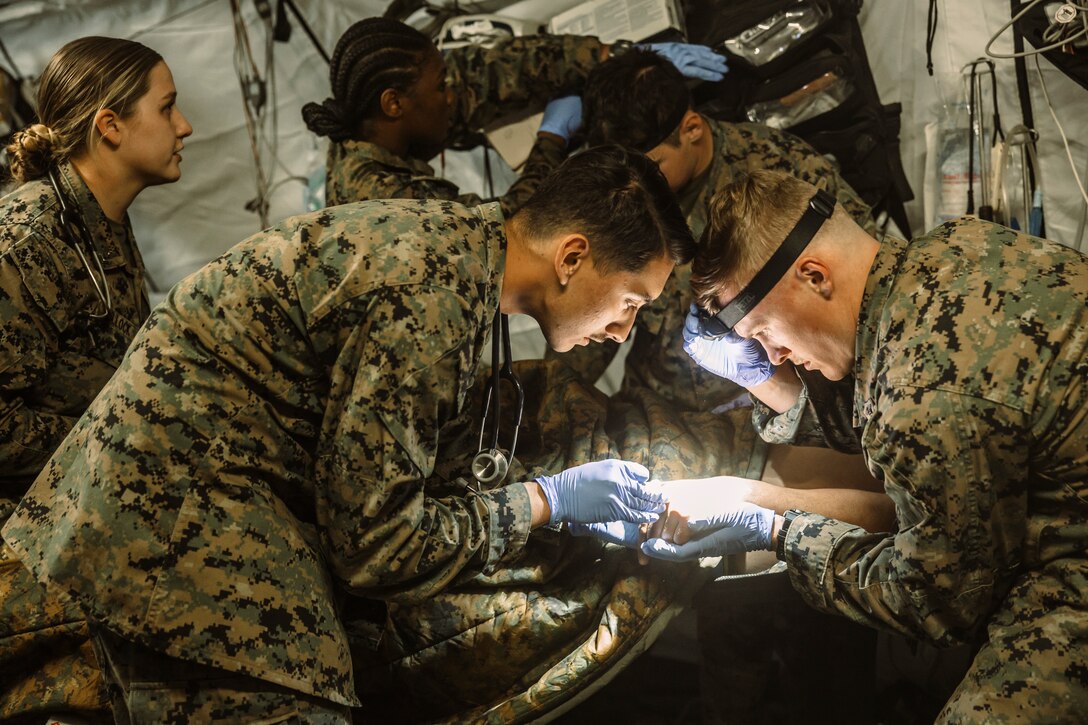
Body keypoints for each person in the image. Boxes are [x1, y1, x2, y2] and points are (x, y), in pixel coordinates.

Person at [2, 146, 696, 719]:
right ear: (572, 257)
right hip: (176, 502)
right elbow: (379, 546)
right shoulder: (431, 299)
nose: (622, 328)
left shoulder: (456, 251)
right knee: (305, 692)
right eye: (630, 301)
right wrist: (544, 501)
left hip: (174, 480)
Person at [645, 168, 1088, 721]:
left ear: (813, 275)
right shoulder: (956, 246)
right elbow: (892, 407)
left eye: (762, 331)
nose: (773, 355)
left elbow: (936, 603)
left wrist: (781, 533)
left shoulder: (923, 397)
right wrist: (768, 387)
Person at [0, 36, 192, 722]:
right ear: (110, 126)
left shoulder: (99, 222)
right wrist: (113, 434)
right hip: (29, 540)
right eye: (167, 109)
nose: (184, 126)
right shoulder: (28, 240)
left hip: (86, 508)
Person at [301, 17, 727, 216]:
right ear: (394, 104)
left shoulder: (377, 124)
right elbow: (507, 226)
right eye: (441, 87)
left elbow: (490, 73)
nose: (453, 96)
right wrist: (551, 140)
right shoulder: (379, 200)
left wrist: (612, 57)